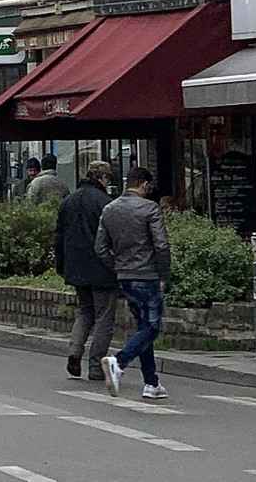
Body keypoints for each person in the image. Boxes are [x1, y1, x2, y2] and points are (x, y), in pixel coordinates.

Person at [94, 165, 170, 400]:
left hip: (123, 275)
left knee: (143, 327)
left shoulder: (110, 209)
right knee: (152, 327)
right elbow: (161, 245)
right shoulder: (150, 208)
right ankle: (119, 361)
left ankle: (151, 382)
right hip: (146, 275)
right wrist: (164, 275)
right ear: (145, 185)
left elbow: (100, 247)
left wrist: (117, 265)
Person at [54, 161, 117, 382]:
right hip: (102, 268)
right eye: (109, 179)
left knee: (84, 312)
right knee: (104, 317)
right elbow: (113, 238)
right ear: (102, 178)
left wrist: (61, 266)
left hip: (76, 267)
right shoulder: (106, 203)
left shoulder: (68, 201)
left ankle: (74, 352)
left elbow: (59, 237)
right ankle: (95, 366)